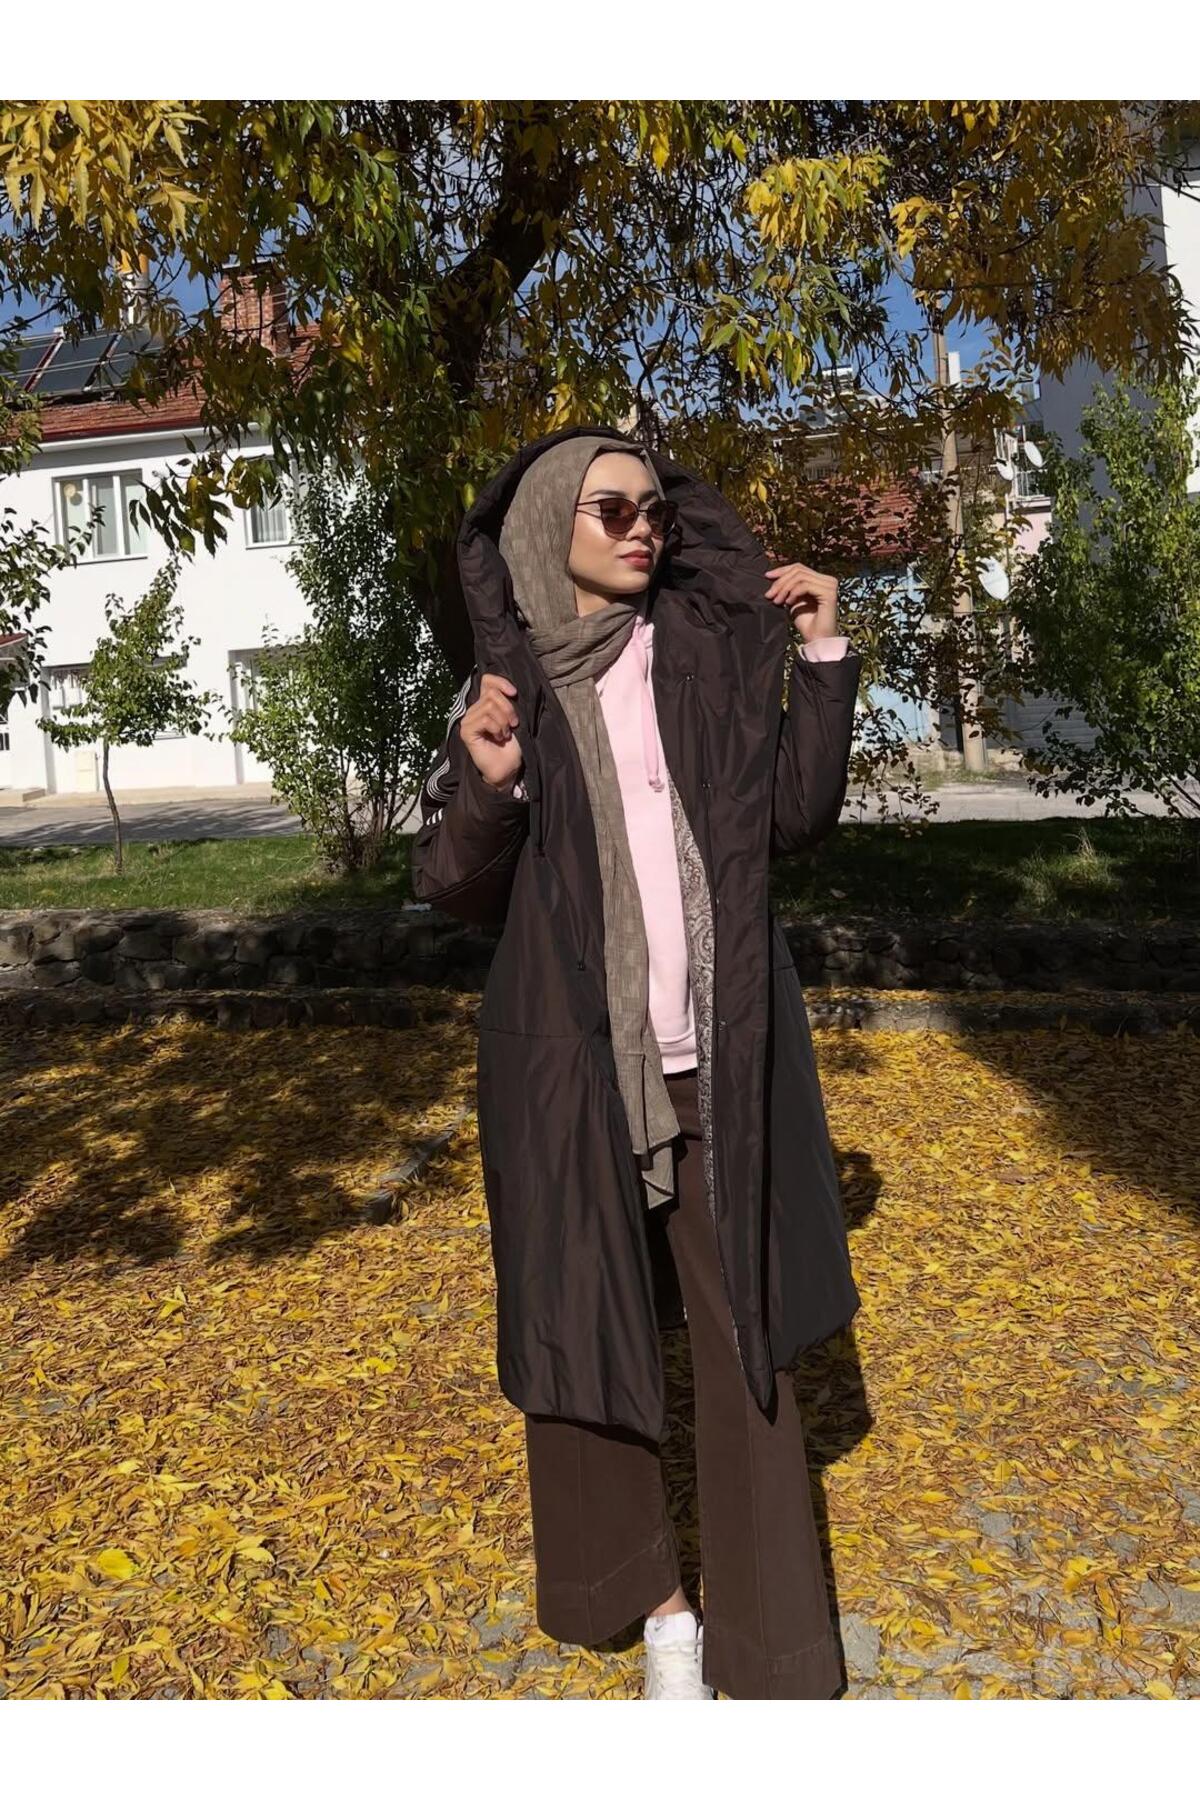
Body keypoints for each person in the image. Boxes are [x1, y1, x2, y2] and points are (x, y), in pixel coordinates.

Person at [410, 425, 862, 1700]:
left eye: (654, 508)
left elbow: (794, 818)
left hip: (719, 1052)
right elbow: (450, 888)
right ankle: (658, 1612)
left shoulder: (705, 653)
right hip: (569, 1064)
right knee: (584, 1332)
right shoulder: (511, 687)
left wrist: (822, 656)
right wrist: (488, 785)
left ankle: (774, 1652)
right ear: (549, 520)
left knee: (745, 1333)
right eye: (611, 508)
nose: (642, 526)